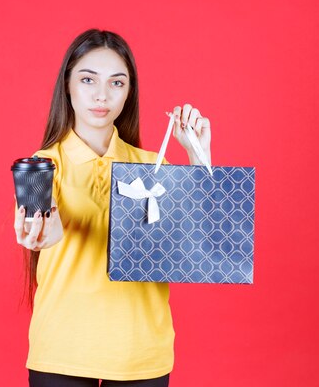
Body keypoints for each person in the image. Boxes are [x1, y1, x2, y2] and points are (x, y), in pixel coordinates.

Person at [14, 29, 212, 387]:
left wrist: (199, 157)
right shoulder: (41, 165)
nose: (101, 95)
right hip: (63, 351)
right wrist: (43, 234)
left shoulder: (156, 167)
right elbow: (41, 231)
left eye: (117, 83)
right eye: (88, 79)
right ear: (68, 86)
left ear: (129, 93)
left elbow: (200, 248)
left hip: (141, 352)